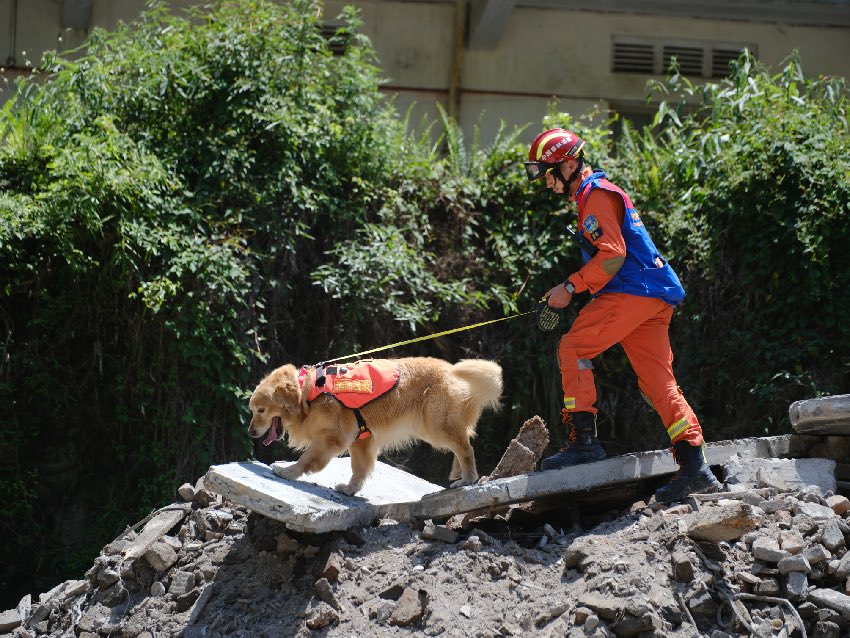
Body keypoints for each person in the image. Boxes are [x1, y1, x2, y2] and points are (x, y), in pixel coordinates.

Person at [524, 127, 722, 503]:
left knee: (573, 348)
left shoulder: (595, 195)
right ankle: (695, 467)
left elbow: (613, 256)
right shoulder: (597, 193)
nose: (547, 184)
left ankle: (584, 444)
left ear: (568, 165)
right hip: (653, 294)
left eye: (548, 174)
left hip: (633, 290)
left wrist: (570, 287)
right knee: (658, 382)